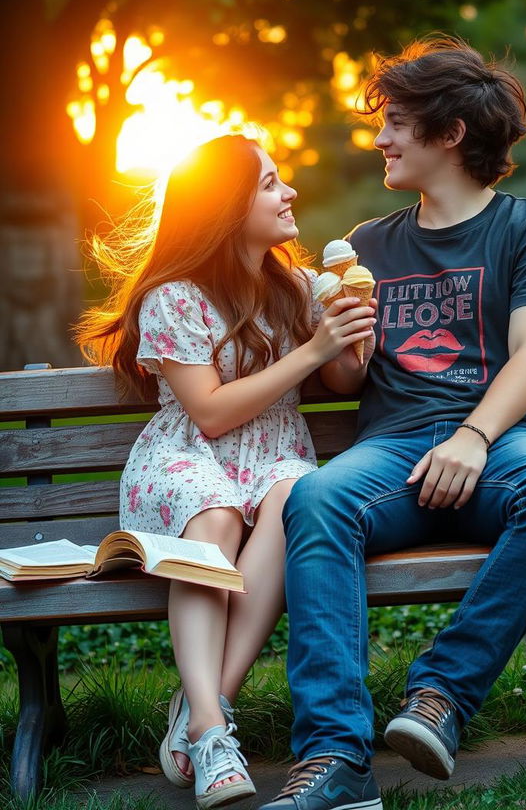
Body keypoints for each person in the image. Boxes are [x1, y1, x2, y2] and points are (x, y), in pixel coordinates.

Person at [259, 36, 526, 810]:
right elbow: (349, 378)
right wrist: (343, 337)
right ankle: (337, 759)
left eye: (398, 123)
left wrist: (473, 436)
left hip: (501, 445)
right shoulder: (372, 243)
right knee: (316, 499)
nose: (380, 138)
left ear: (451, 135)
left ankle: (440, 695)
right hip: (394, 455)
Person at [75, 133, 376, 810]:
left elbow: (342, 374)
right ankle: (211, 731)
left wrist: (353, 338)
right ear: (225, 207)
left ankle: (208, 712)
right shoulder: (173, 297)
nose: (289, 192)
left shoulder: (297, 287)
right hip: (186, 458)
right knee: (212, 512)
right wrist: (312, 352)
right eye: (270, 183)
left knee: (295, 498)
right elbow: (209, 414)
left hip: (273, 455)